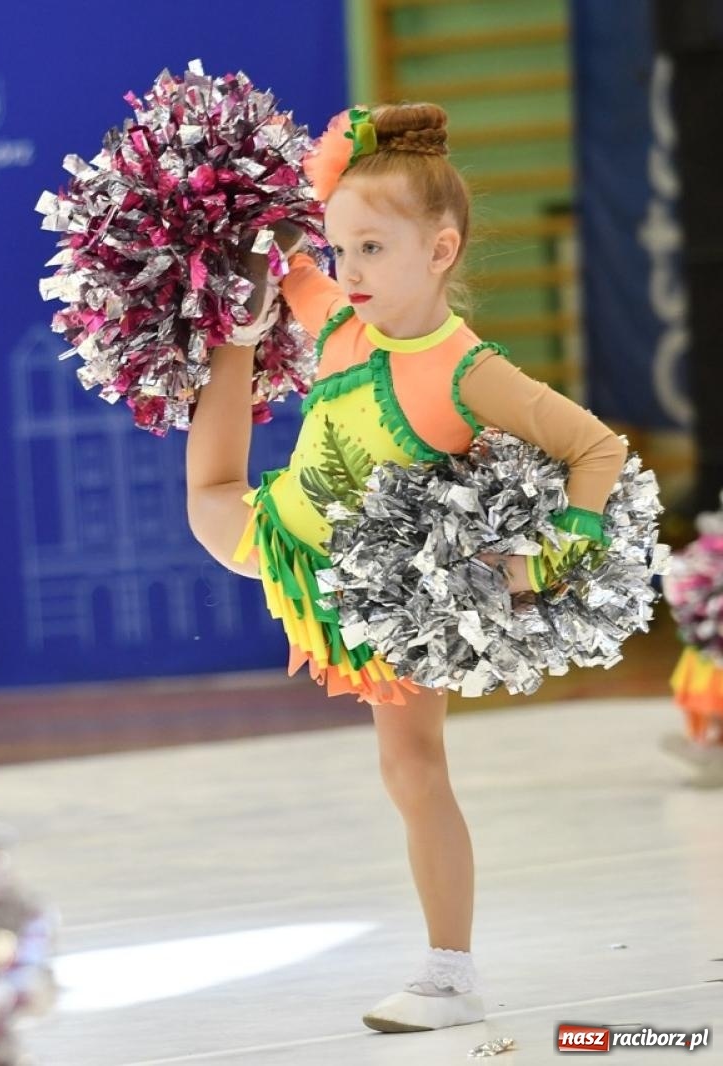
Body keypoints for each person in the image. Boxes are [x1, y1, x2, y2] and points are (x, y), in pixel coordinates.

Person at [185, 102, 627, 1032]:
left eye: (372, 250)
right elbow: (279, 238)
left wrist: (548, 556)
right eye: (340, 251)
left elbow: (597, 449)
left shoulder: (469, 373)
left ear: (440, 250)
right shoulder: (342, 324)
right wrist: (349, 139)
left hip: (389, 594)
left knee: (414, 770)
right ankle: (232, 339)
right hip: (291, 547)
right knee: (207, 497)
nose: (346, 273)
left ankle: (450, 975)